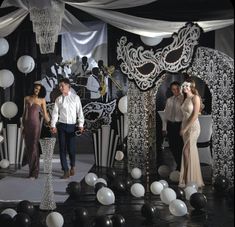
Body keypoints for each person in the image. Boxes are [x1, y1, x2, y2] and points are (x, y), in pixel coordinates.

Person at [50, 78, 85, 179]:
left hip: (72, 126)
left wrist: (81, 124)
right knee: (62, 149)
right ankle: (65, 170)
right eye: (59, 86)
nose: (60, 88)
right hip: (61, 126)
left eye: (62, 86)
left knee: (72, 149)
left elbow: (80, 112)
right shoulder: (58, 99)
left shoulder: (75, 98)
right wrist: (53, 125)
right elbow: (55, 113)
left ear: (68, 86)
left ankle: (72, 166)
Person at [179, 78, 205, 188]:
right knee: (188, 152)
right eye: (183, 86)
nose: (185, 88)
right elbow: (184, 116)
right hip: (184, 127)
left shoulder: (196, 98)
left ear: (191, 87)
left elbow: (194, 116)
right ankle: (190, 178)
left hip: (193, 127)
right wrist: (183, 127)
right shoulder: (184, 99)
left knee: (186, 150)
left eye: (187, 86)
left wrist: (185, 129)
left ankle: (186, 177)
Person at [22, 82, 50, 179]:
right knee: (28, 148)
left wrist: (51, 124)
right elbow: (23, 113)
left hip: (35, 125)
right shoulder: (26, 98)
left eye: (38, 89)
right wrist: (22, 125)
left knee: (34, 146)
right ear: (33, 89)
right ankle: (31, 171)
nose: (37, 90)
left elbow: (45, 114)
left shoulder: (42, 100)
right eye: (35, 88)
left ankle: (34, 173)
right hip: (26, 125)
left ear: (41, 90)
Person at [162, 81, 184, 171]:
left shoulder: (184, 99)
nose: (176, 91)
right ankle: (178, 163)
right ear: (171, 90)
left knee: (180, 146)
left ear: (180, 88)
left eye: (177, 88)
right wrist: (164, 128)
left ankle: (181, 166)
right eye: (173, 89)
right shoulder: (169, 100)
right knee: (172, 146)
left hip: (180, 125)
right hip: (171, 125)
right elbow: (165, 115)